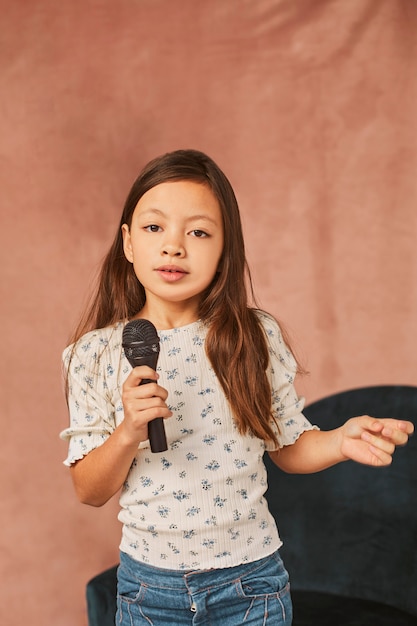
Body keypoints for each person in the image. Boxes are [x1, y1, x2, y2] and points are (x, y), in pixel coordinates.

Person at [61, 149, 413, 626]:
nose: (174, 247)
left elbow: (287, 445)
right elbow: (89, 489)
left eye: (199, 232)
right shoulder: (95, 354)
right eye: (154, 228)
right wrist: (127, 432)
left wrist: (338, 441)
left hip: (250, 584)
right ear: (127, 242)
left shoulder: (253, 337)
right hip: (150, 590)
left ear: (226, 249)